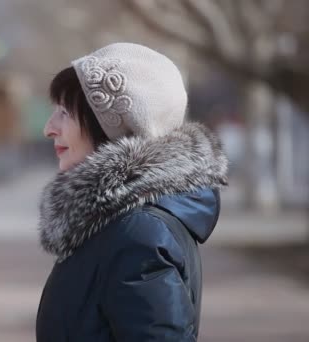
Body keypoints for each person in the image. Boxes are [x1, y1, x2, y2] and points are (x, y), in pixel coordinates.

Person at [36, 43, 228, 341]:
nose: (49, 128)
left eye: (65, 112)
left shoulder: (139, 235)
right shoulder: (114, 224)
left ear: (111, 127)